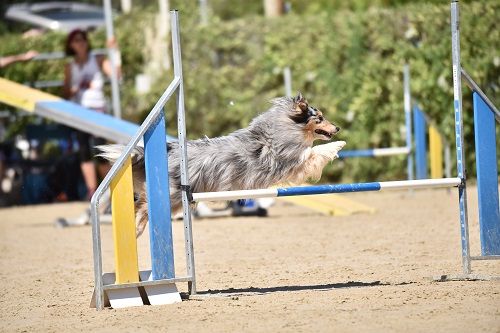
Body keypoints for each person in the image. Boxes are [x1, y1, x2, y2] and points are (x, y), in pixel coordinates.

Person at [63, 29, 120, 199]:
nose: (80, 43)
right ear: (71, 45)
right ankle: (92, 191)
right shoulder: (70, 66)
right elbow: (65, 92)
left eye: (82, 39)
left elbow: (116, 74)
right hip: (80, 111)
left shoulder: (97, 60)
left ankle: (112, 189)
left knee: (100, 150)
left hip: (97, 111)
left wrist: (115, 52)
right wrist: (72, 90)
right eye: (76, 40)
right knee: (83, 152)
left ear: (87, 42)